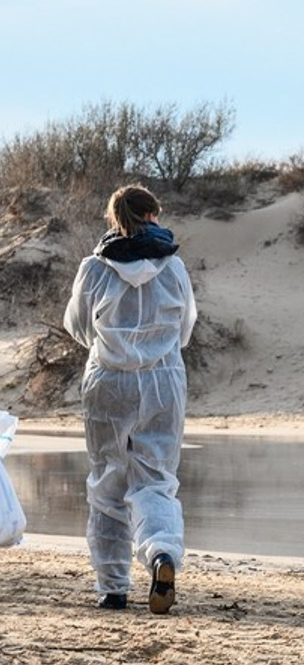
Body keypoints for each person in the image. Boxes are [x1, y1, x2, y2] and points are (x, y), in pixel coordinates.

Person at [63, 184, 197, 614]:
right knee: (156, 479)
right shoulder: (173, 267)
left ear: (114, 220)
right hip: (163, 382)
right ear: (152, 215)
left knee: (107, 482)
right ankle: (161, 553)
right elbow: (186, 329)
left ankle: (113, 587)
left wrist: (114, 345)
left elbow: (78, 326)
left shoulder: (94, 268)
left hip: (108, 381)